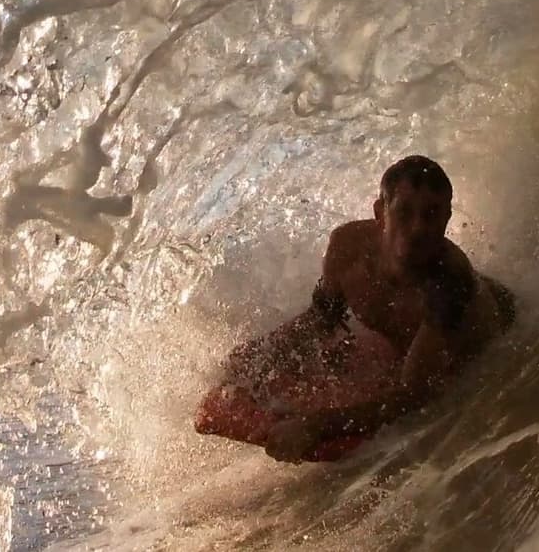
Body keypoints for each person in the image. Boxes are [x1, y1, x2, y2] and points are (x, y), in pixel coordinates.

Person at [219, 155, 516, 462]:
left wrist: (317, 425)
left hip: (498, 326)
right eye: (404, 212)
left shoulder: (449, 284)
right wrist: (257, 357)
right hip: (412, 349)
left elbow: (416, 394)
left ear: (447, 218)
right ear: (380, 213)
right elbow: (321, 320)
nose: (418, 228)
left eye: (431, 214)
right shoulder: (346, 249)